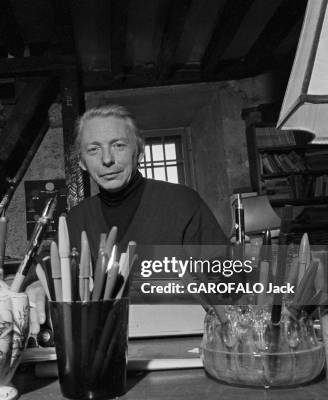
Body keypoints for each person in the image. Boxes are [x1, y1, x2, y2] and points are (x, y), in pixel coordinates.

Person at [25, 104, 227, 333]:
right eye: (94, 150)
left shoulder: (183, 203)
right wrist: (38, 286)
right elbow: (44, 269)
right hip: (102, 348)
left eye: (118, 145)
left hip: (183, 343)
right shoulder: (75, 220)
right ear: (81, 162)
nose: (107, 159)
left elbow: (230, 278)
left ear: (138, 152)